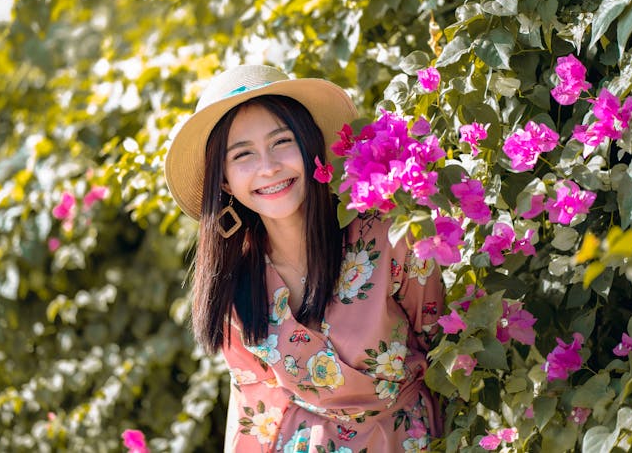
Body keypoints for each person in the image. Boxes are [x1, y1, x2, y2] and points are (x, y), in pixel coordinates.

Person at [165, 65, 444, 452]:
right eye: (243, 154)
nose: (268, 167)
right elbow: (254, 407)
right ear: (225, 180)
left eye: (282, 142)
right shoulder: (235, 286)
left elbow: (448, 346)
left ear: (310, 143)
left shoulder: (388, 234)